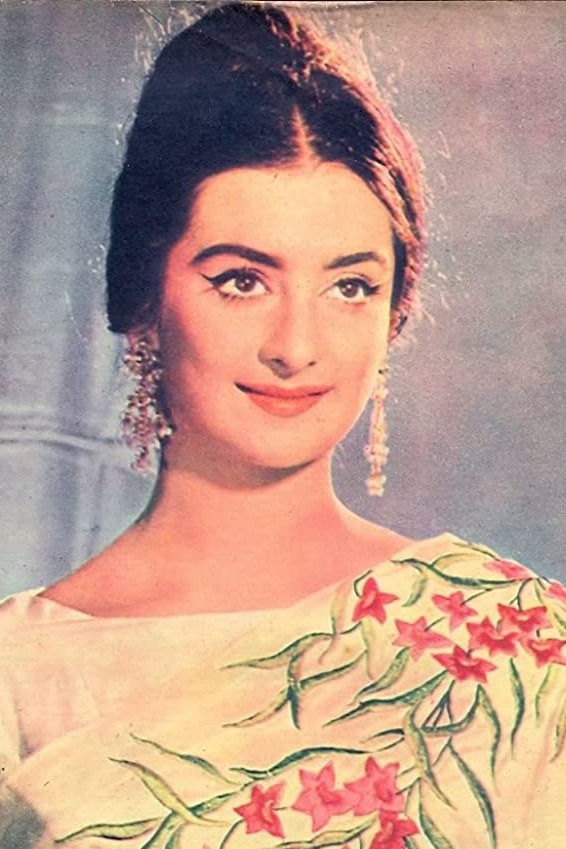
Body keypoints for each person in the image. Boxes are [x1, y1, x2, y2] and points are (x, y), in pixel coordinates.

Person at [0, 3, 564, 848]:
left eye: (349, 287)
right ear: (143, 295)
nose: (296, 347)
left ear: (393, 312)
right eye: (241, 280)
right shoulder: (17, 671)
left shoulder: (519, 643)